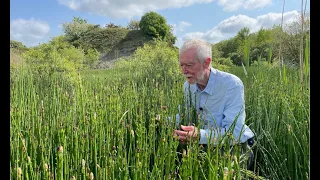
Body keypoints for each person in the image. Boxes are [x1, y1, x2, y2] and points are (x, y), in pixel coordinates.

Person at [173, 38, 255, 169]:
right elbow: (187, 116)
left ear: (206, 62)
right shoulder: (187, 86)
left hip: (234, 146)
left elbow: (235, 133)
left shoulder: (231, 84)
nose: (184, 70)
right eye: (181, 65)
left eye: (188, 65)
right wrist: (165, 120)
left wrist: (200, 135)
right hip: (203, 143)